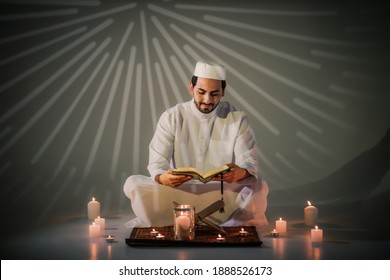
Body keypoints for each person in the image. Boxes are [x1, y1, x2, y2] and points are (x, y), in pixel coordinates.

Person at [123, 61, 269, 228]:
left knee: (259, 184)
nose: (207, 100)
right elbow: (157, 161)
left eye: (214, 93)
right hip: (178, 191)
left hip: (221, 192)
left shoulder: (237, 118)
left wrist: (240, 173)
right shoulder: (172, 116)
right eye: (201, 92)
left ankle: (178, 219)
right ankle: (212, 218)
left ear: (223, 92)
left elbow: (248, 159)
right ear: (191, 88)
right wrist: (163, 177)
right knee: (133, 183)